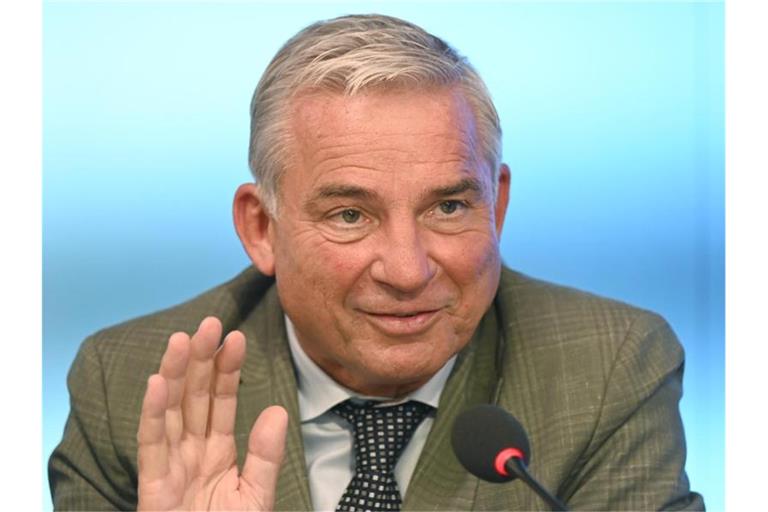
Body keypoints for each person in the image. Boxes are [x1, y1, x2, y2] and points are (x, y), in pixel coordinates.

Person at [49, 13, 704, 511]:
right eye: (350, 216)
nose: (407, 269)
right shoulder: (130, 389)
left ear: (496, 208)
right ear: (262, 228)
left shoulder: (611, 370)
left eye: (448, 207)